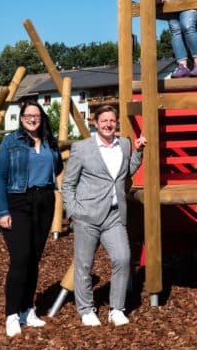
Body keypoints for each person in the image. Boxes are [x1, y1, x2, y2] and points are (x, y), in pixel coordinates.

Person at [62, 105, 147, 327]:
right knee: (84, 264)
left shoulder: (125, 144)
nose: (108, 124)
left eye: (112, 120)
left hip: (114, 215)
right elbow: (68, 183)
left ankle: (116, 308)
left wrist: (138, 152)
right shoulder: (82, 148)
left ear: (116, 122)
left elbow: (127, 172)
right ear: (95, 123)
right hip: (86, 216)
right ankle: (86, 309)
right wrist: (72, 212)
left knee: (122, 258)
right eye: (104, 121)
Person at [0, 99, 63, 337]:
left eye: (36, 115)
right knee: (20, 258)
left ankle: (27, 309)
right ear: (21, 119)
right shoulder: (10, 142)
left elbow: (58, 167)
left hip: (44, 201)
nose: (32, 119)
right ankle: (11, 314)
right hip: (18, 201)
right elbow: (0, 177)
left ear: (41, 118)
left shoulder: (50, 143)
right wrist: (3, 211)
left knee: (34, 258)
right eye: (27, 116)